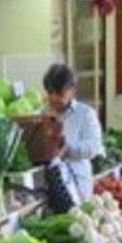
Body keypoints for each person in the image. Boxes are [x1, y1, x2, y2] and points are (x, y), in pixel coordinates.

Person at [42, 63, 104, 200]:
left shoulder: (86, 114)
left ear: (72, 91)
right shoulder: (42, 114)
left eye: (59, 93)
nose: (53, 98)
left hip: (78, 184)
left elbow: (94, 147)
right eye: (50, 92)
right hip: (51, 185)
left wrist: (69, 150)